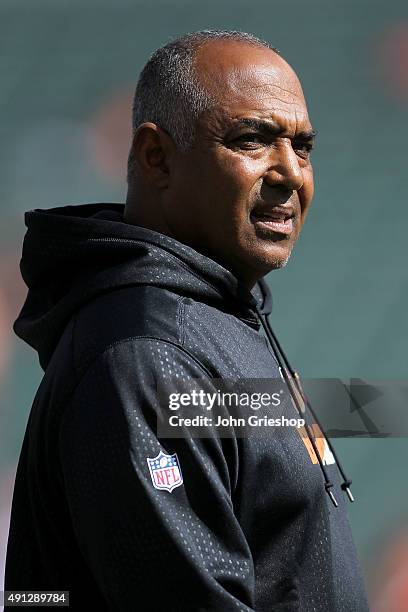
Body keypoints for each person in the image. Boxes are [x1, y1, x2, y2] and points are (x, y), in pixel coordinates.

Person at [5, 30, 369, 611]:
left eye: (302, 147)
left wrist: (379, 407)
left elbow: (258, 433)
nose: (289, 173)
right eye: (252, 139)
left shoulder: (215, 321)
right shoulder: (145, 351)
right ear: (157, 158)